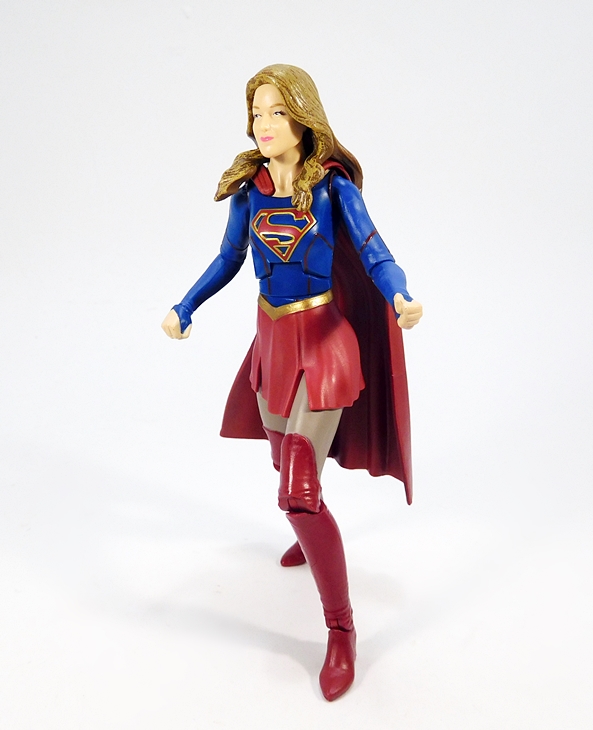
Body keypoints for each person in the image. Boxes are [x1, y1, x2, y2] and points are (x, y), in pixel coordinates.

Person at [162, 64, 423, 701]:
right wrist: (186, 305)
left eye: (277, 111)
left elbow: (375, 250)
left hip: (324, 344)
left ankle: (341, 629)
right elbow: (228, 259)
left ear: (302, 117)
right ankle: (309, 538)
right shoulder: (250, 191)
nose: (264, 123)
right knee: (285, 465)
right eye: (257, 112)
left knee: (299, 494)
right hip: (273, 345)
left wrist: (400, 295)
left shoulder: (332, 188)